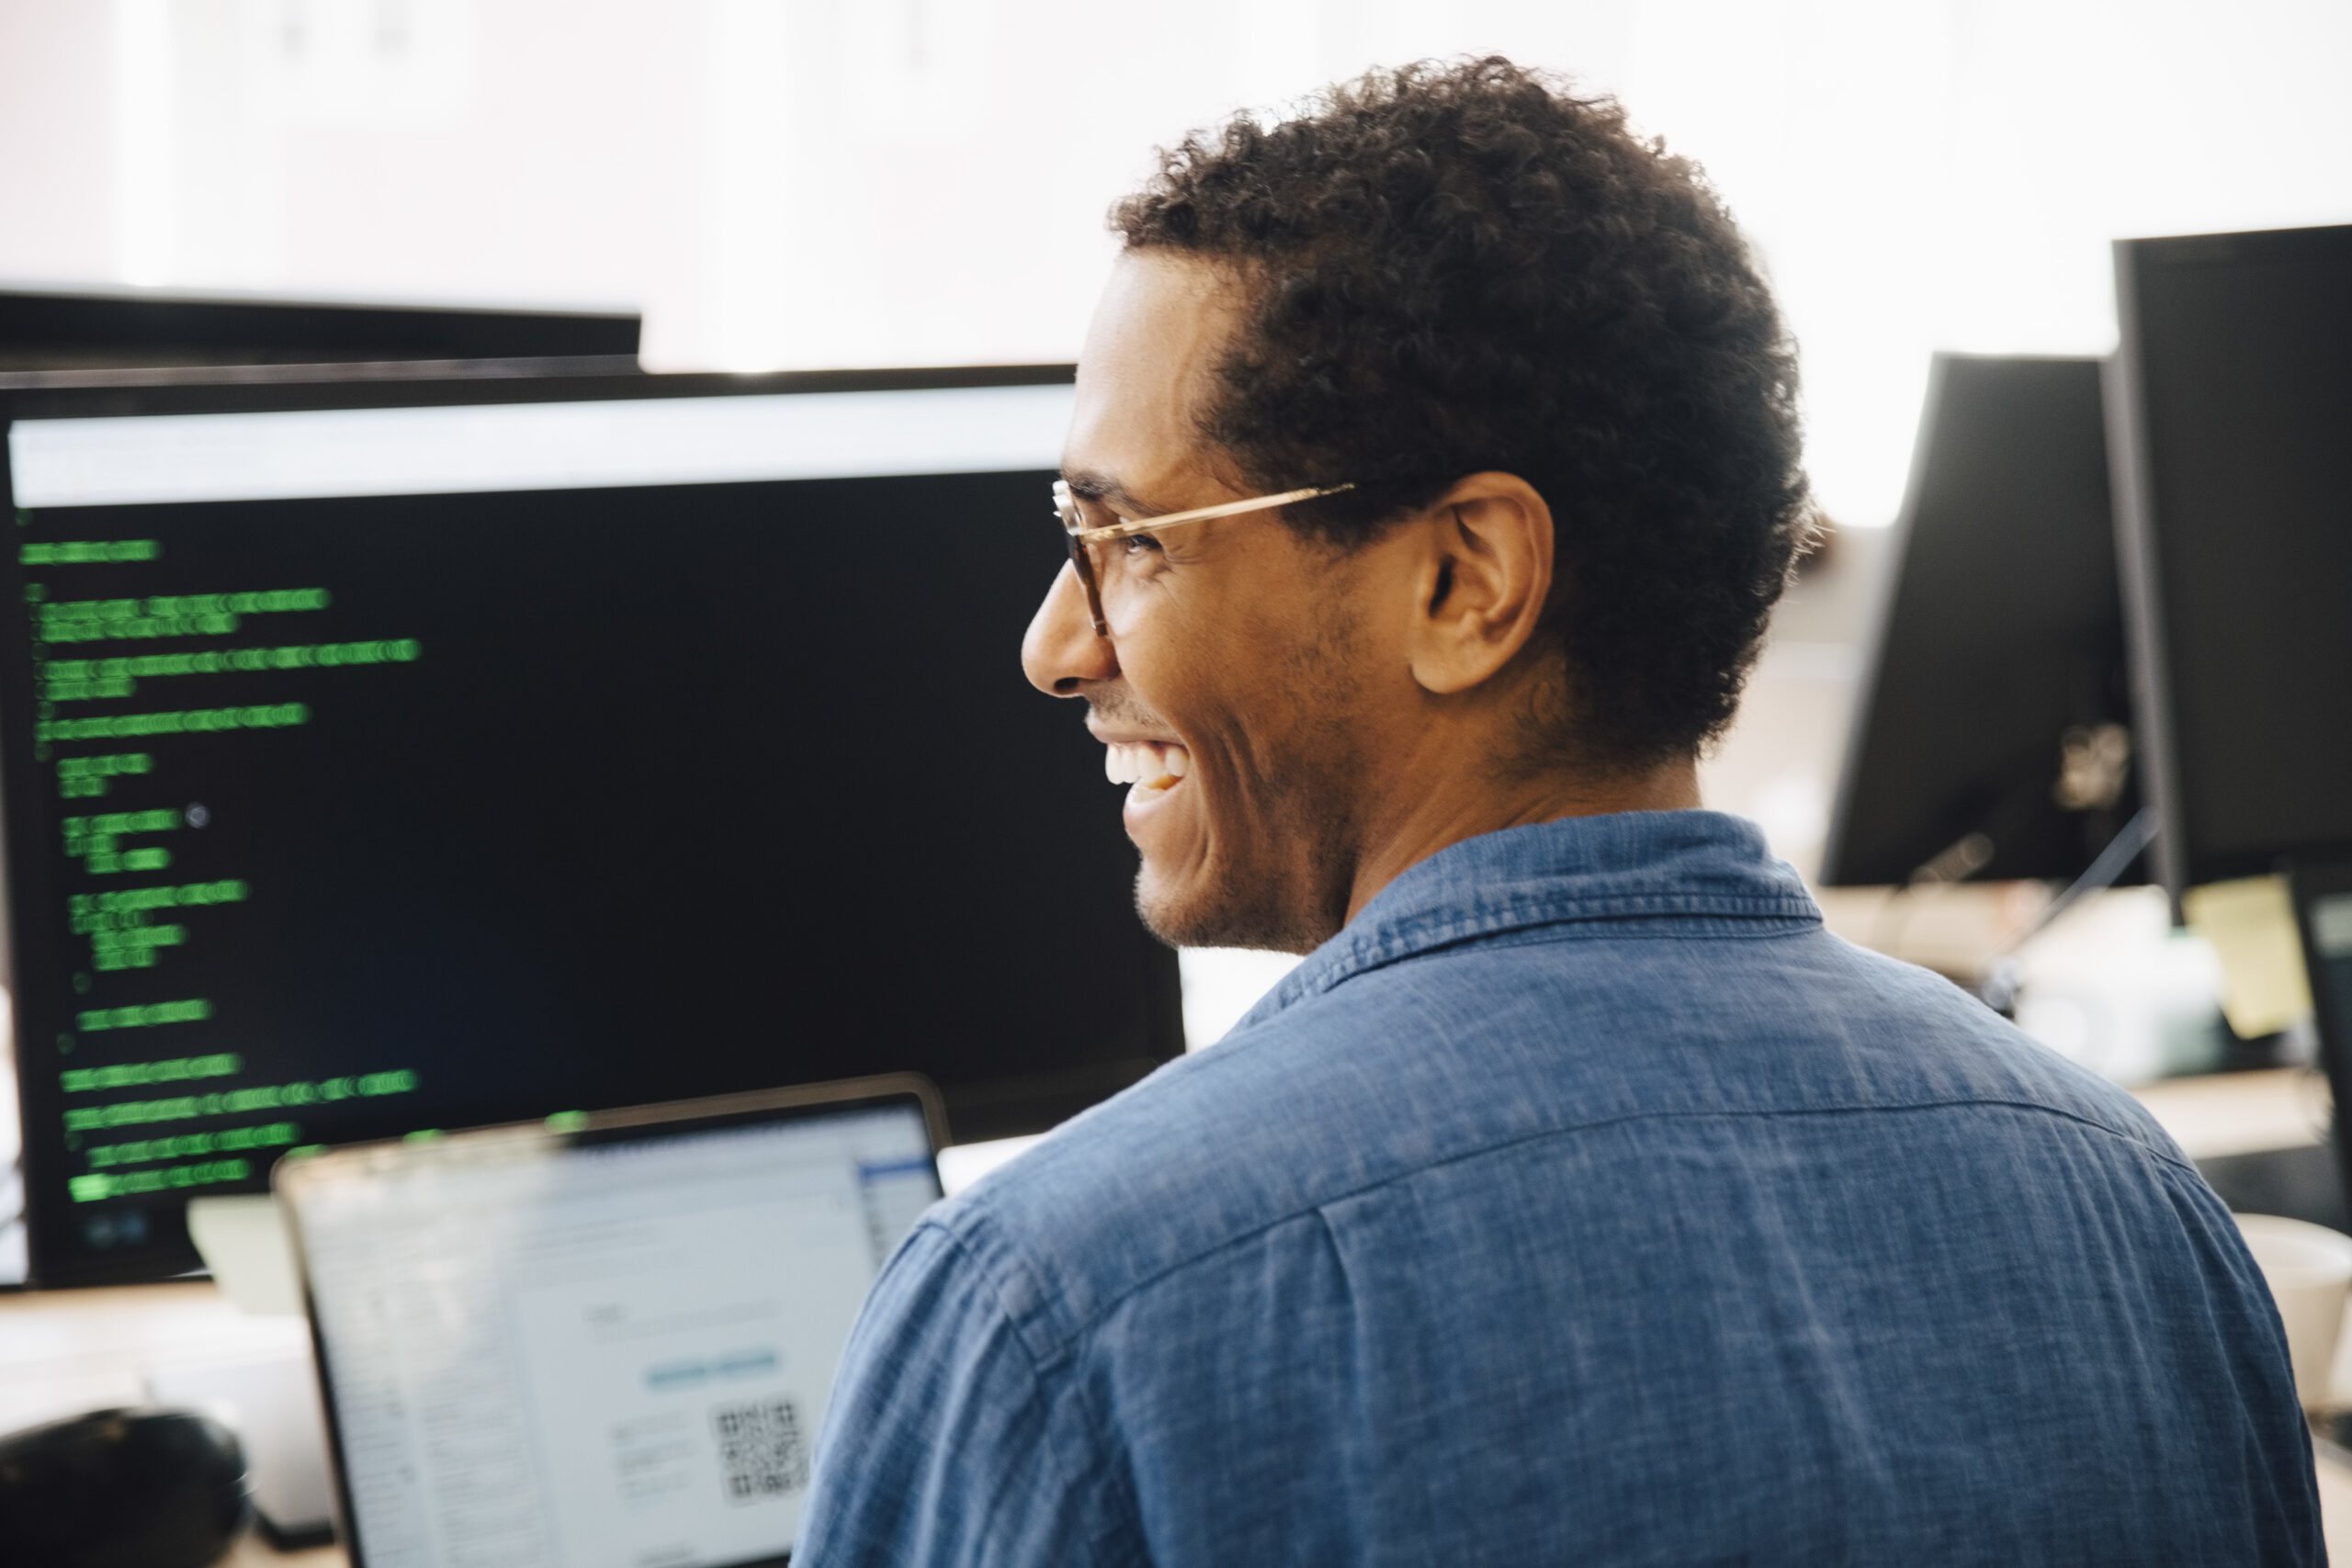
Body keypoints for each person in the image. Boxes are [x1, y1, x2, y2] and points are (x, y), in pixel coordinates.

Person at [797, 58, 2319, 1564]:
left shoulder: (1060, 1307)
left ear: (1468, 581)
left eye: (1127, 537)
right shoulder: (2138, 1218)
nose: (1055, 648)